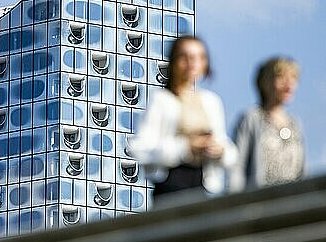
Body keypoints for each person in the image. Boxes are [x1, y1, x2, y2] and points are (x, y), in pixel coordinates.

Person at [129, 35, 237, 199]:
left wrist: (219, 150)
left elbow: (230, 151)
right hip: (171, 184)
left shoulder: (211, 101)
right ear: (174, 62)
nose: (192, 63)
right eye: (184, 57)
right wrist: (186, 147)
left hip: (204, 185)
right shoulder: (161, 99)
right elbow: (140, 148)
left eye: (198, 57)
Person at [229, 56, 305, 191]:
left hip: (292, 201)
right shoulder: (251, 119)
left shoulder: (295, 124)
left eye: (293, 78)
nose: (289, 84)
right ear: (265, 82)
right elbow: (237, 166)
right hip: (260, 202)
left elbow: (302, 170)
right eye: (281, 77)